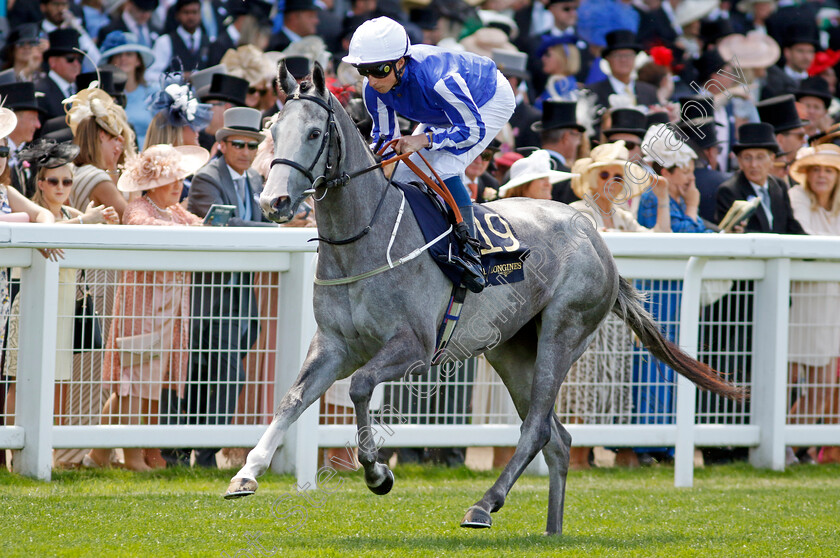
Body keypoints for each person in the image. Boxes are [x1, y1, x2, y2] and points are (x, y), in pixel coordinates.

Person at [344, 16, 516, 293]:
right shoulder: (373, 88)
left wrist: (424, 139)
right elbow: (385, 137)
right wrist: (380, 166)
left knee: (446, 165)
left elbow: (470, 131)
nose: (373, 80)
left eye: (379, 70)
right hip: (442, 108)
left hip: (486, 100)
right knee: (400, 172)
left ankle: (470, 254)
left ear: (401, 62)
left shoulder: (440, 81)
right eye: (364, 71)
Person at [83, 144, 209, 470]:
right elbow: (139, 225)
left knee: (150, 382)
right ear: (151, 181)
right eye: (170, 178)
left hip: (171, 311)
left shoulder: (177, 211)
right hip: (142, 307)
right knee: (134, 380)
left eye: (180, 177)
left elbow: (202, 227)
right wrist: (186, 230)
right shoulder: (139, 207)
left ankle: (99, 454)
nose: (178, 184)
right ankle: (130, 457)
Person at [4, 139, 118, 444]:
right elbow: (48, 228)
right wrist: (89, 220)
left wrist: (108, 222)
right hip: (29, 303)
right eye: (53, 180)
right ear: (40, 183)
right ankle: (9, 453)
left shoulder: (71, 213)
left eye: (67, 181)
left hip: (67, 304)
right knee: (20, 379)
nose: (60, 187)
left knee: (60, 381)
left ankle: (50, 451)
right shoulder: (31, 212)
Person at [565, 140, 670, 468]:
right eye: (604, 174)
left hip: (616, 315)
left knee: (611, 386)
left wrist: (663, 199)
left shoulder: (624, 216)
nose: (612, 180)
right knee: (581, 385)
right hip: (584, 312)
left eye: (619, 175)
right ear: (592, 178)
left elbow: (663, 242)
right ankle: (576, 457)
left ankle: (597, 455)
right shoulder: (577, 211)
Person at [177, 107, 270, 468]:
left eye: (251, 145)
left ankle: (191, 450)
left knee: (218, 370)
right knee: (220, 371)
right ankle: (200, 451)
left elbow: (259, 218)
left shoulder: (257, 182)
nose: (246, 151)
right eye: (238, 144)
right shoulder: (206, 177)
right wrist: (278, 228)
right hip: (211, 293)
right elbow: (225, 223)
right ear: (223, 144)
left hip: (241, 291)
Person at [785, 144, 840, 464]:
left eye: (829, 170)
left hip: (833, 304)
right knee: (786, 378)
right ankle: (778, 446)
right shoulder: (797, 197)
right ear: (806, 174)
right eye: (816, 169)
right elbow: (806, 236)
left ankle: (789, 445)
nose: (821, 175)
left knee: (822, 387)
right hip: (801, 301)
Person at [65, 86, 136, 219]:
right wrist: (137, 186)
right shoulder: (97, 178)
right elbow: (129, 218)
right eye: (114, 139)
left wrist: (112, 167)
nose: (118, 146)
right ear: (102, 136)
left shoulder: (72, 168)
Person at [99, 31, 158, 149]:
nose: (123, 59)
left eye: (129, 54)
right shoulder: (103, 96)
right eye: (118, 55)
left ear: (138, 61)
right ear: (110, 62)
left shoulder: (153, 91)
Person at [588, 30, 658, 111]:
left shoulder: (649, 91)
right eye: (617, 55)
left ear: (635, 58)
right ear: (607, 59)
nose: (623, 60)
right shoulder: (593, 93)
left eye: (628, 55)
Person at [533, 99, 585, 205]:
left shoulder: (520, 169)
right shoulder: (570, 178)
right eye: (577, 135)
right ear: (566, 137)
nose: (579, 143)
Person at [33, 29, 84, 122]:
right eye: (70, 59)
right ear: (52, 62)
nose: (76, 64)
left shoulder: (82, 88)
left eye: (80, 59)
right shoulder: (40, 92)